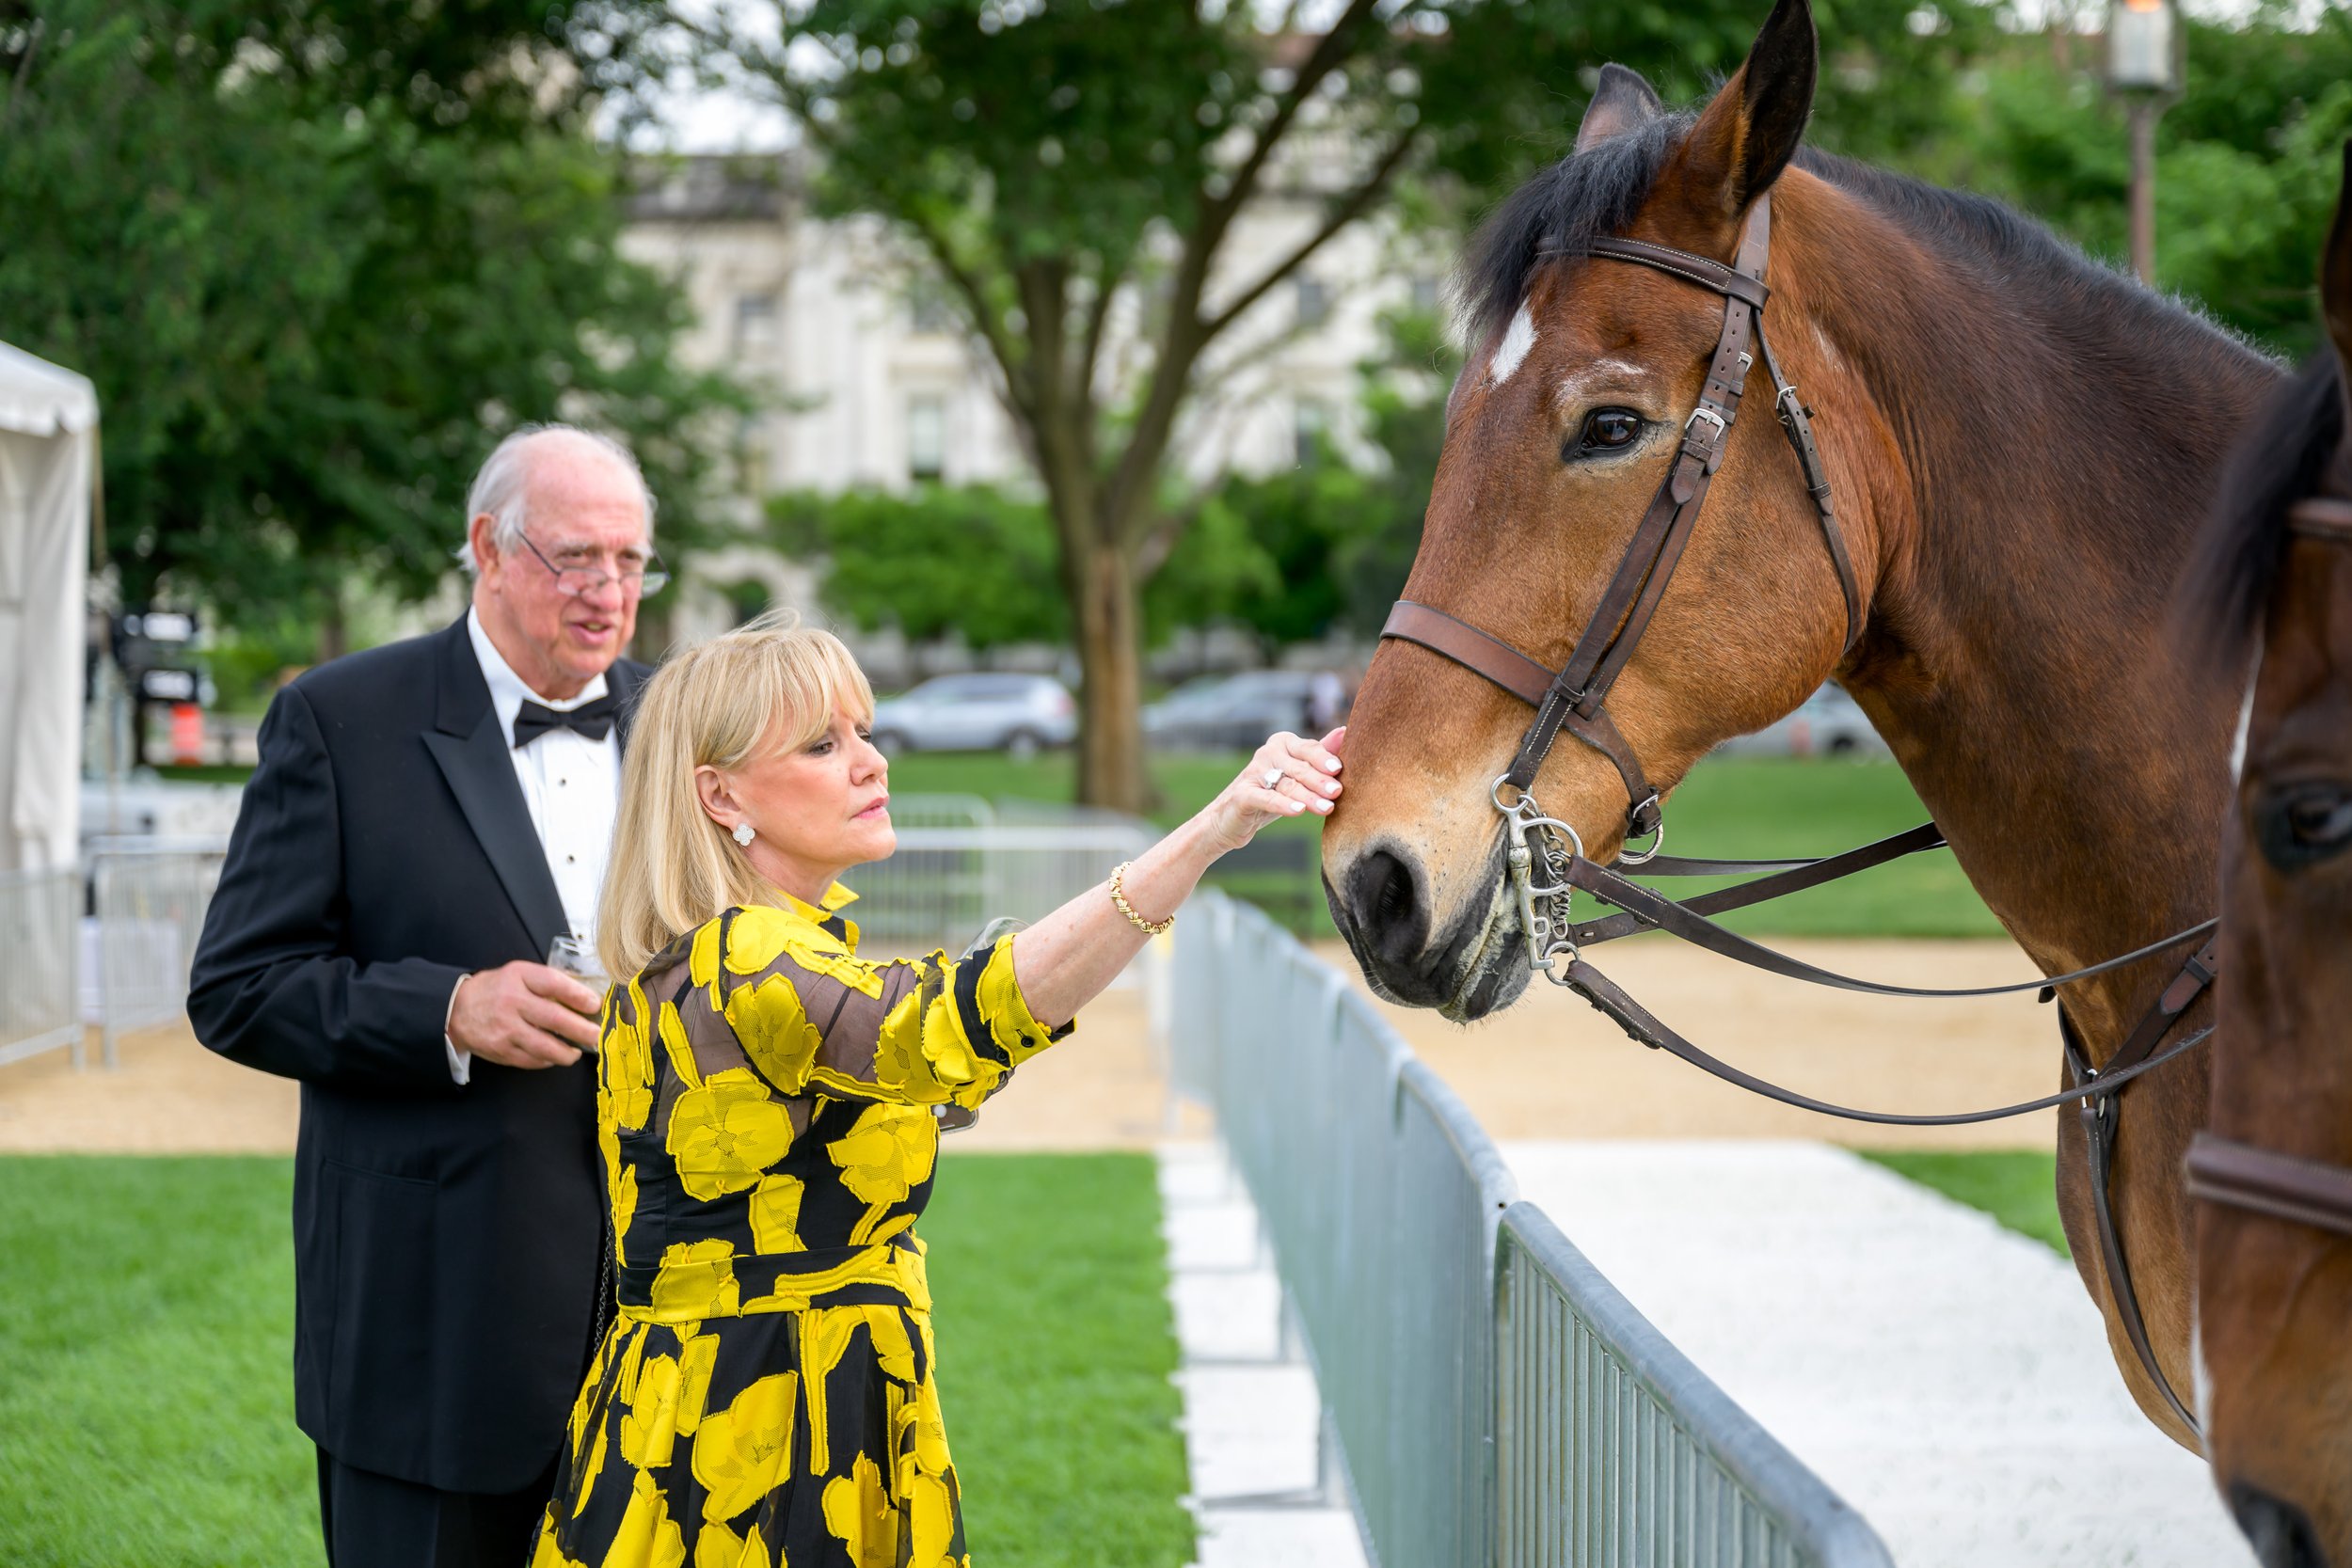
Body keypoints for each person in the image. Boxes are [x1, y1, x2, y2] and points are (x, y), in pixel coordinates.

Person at [529, 613, 1344, 1568]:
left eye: (864, 731)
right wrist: (1211, 831)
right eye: (821, 744)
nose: (871, 762)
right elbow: (949, 1023)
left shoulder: (740, 952)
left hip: (789, 1396)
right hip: (753, 1424)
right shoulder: (743, 956)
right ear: (719, 794)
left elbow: (944, 1059)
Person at [188, 424, 667, 1568]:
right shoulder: (341, 718)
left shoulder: (683, 720)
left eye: (631, 561)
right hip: (433, 1330)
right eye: (575, 557)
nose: (608, 591)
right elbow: (238, 985)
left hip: (667, 1328)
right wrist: (447, 1010)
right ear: (487, 547)